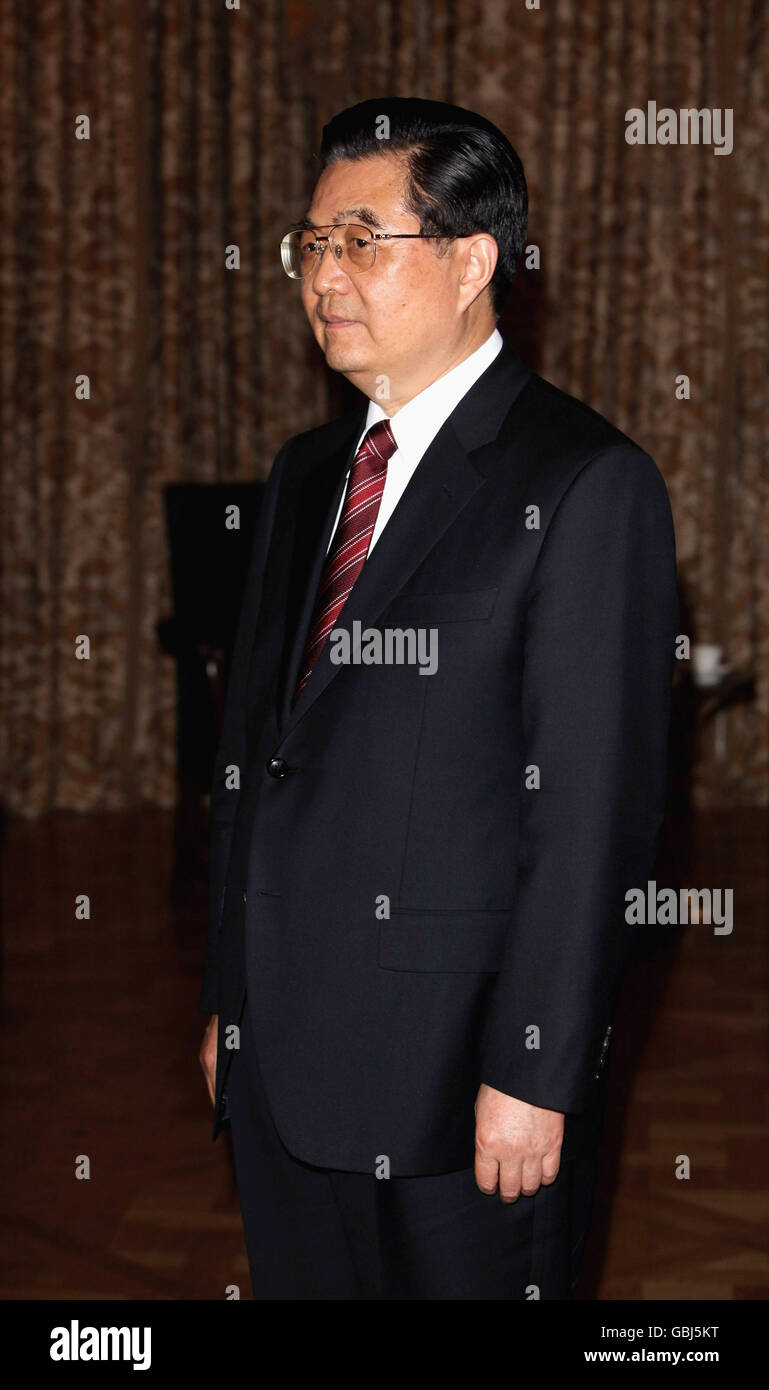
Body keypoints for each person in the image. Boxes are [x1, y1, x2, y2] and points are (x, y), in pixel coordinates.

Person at [199, 96, 678, 1300]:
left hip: (453, 1087)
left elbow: (589, 820)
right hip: (281, 1060)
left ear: (472, 261)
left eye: (363, 239)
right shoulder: (309, 474)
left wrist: (536, 1073)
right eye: (312, 243)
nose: (324, 275)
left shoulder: (582, 483)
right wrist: (229, 1004)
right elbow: (259, 759)